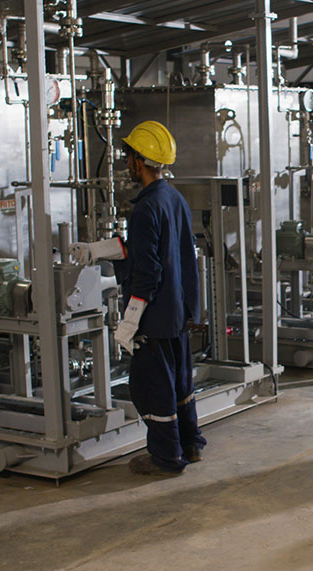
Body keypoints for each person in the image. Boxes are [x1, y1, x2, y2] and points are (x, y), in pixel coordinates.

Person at [70, 120, 205, 476]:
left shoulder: (145, 209)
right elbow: (163, 250)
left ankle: (166, 457)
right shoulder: (174, 199)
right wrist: (98, 250)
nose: (126, 163)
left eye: (129, 156)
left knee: (152, 387)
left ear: (138, 161)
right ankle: (190, 444)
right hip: (177, 312)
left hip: (155, 317)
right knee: (180, 381)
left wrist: (129, 322)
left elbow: (147, 271)